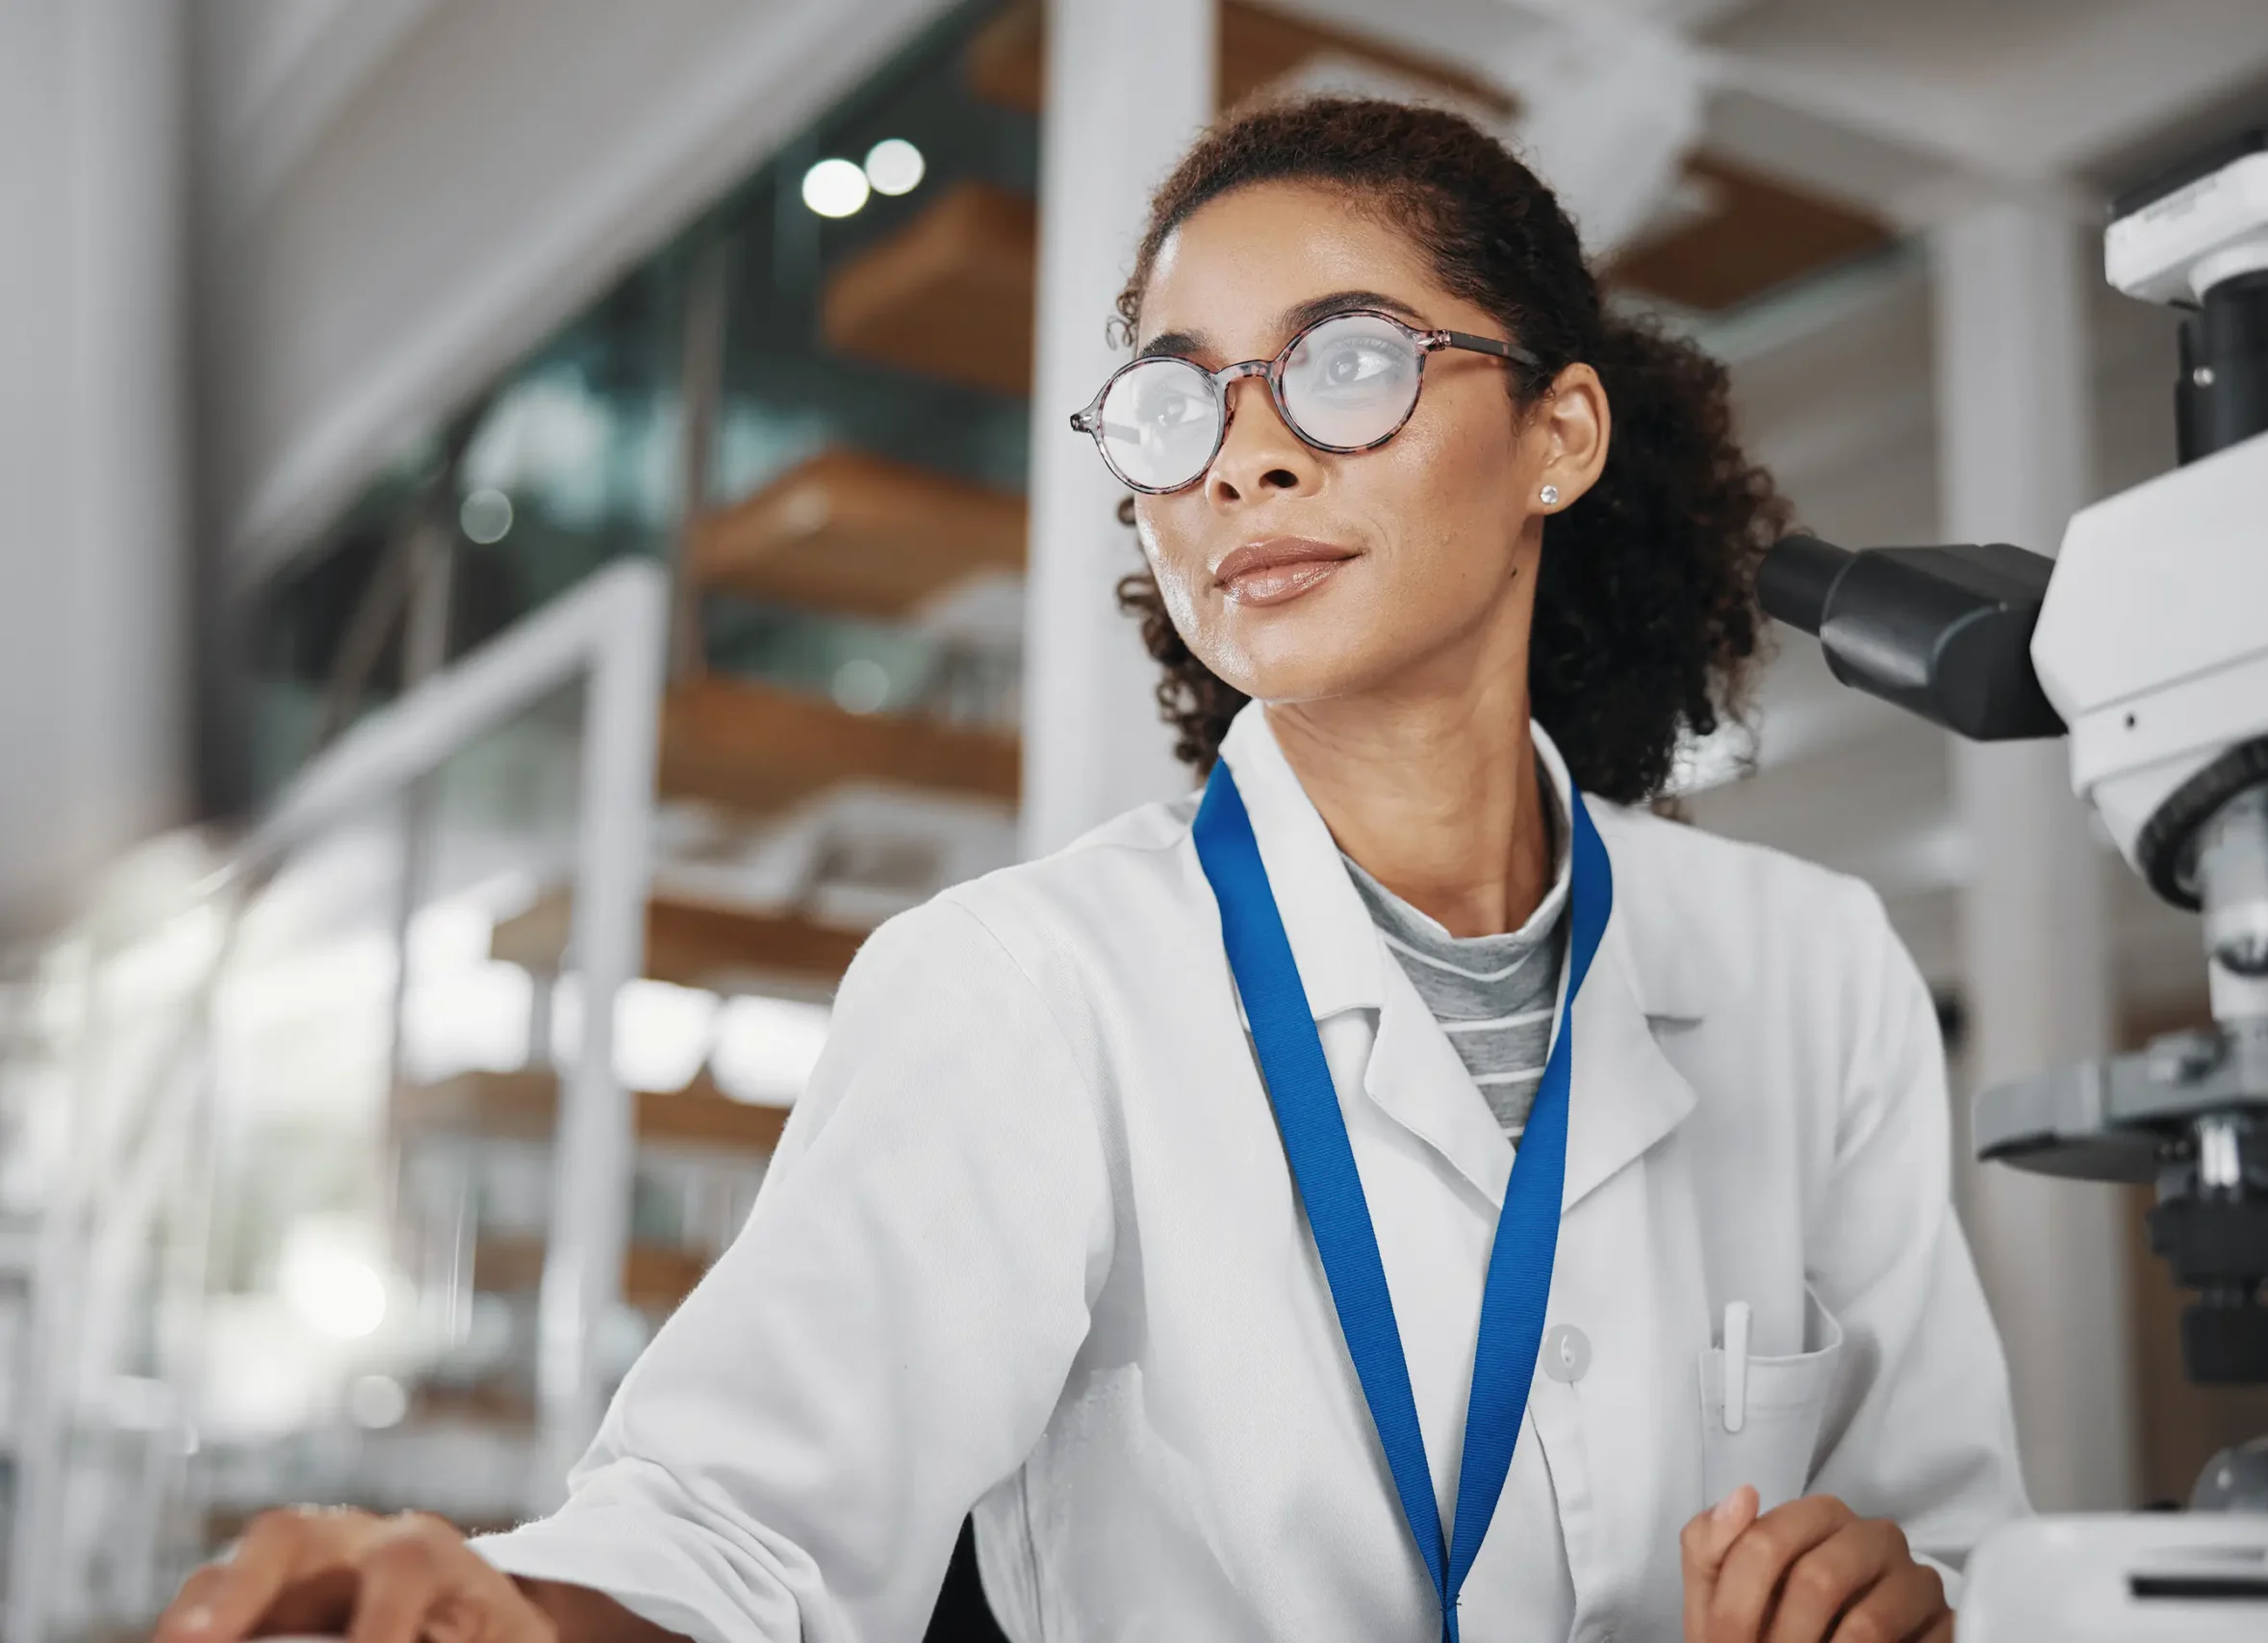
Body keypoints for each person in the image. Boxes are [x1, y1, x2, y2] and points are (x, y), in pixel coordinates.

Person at [159, 97, 2026, 1643]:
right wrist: (510, 1616)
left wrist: (1902, 1591)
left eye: (1349, 364)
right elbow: (736, 1541)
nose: (1245, 460)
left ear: (1558, 434)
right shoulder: (1021, 984)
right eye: (1174, 400)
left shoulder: (1812, 966)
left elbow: (1964, 1537)